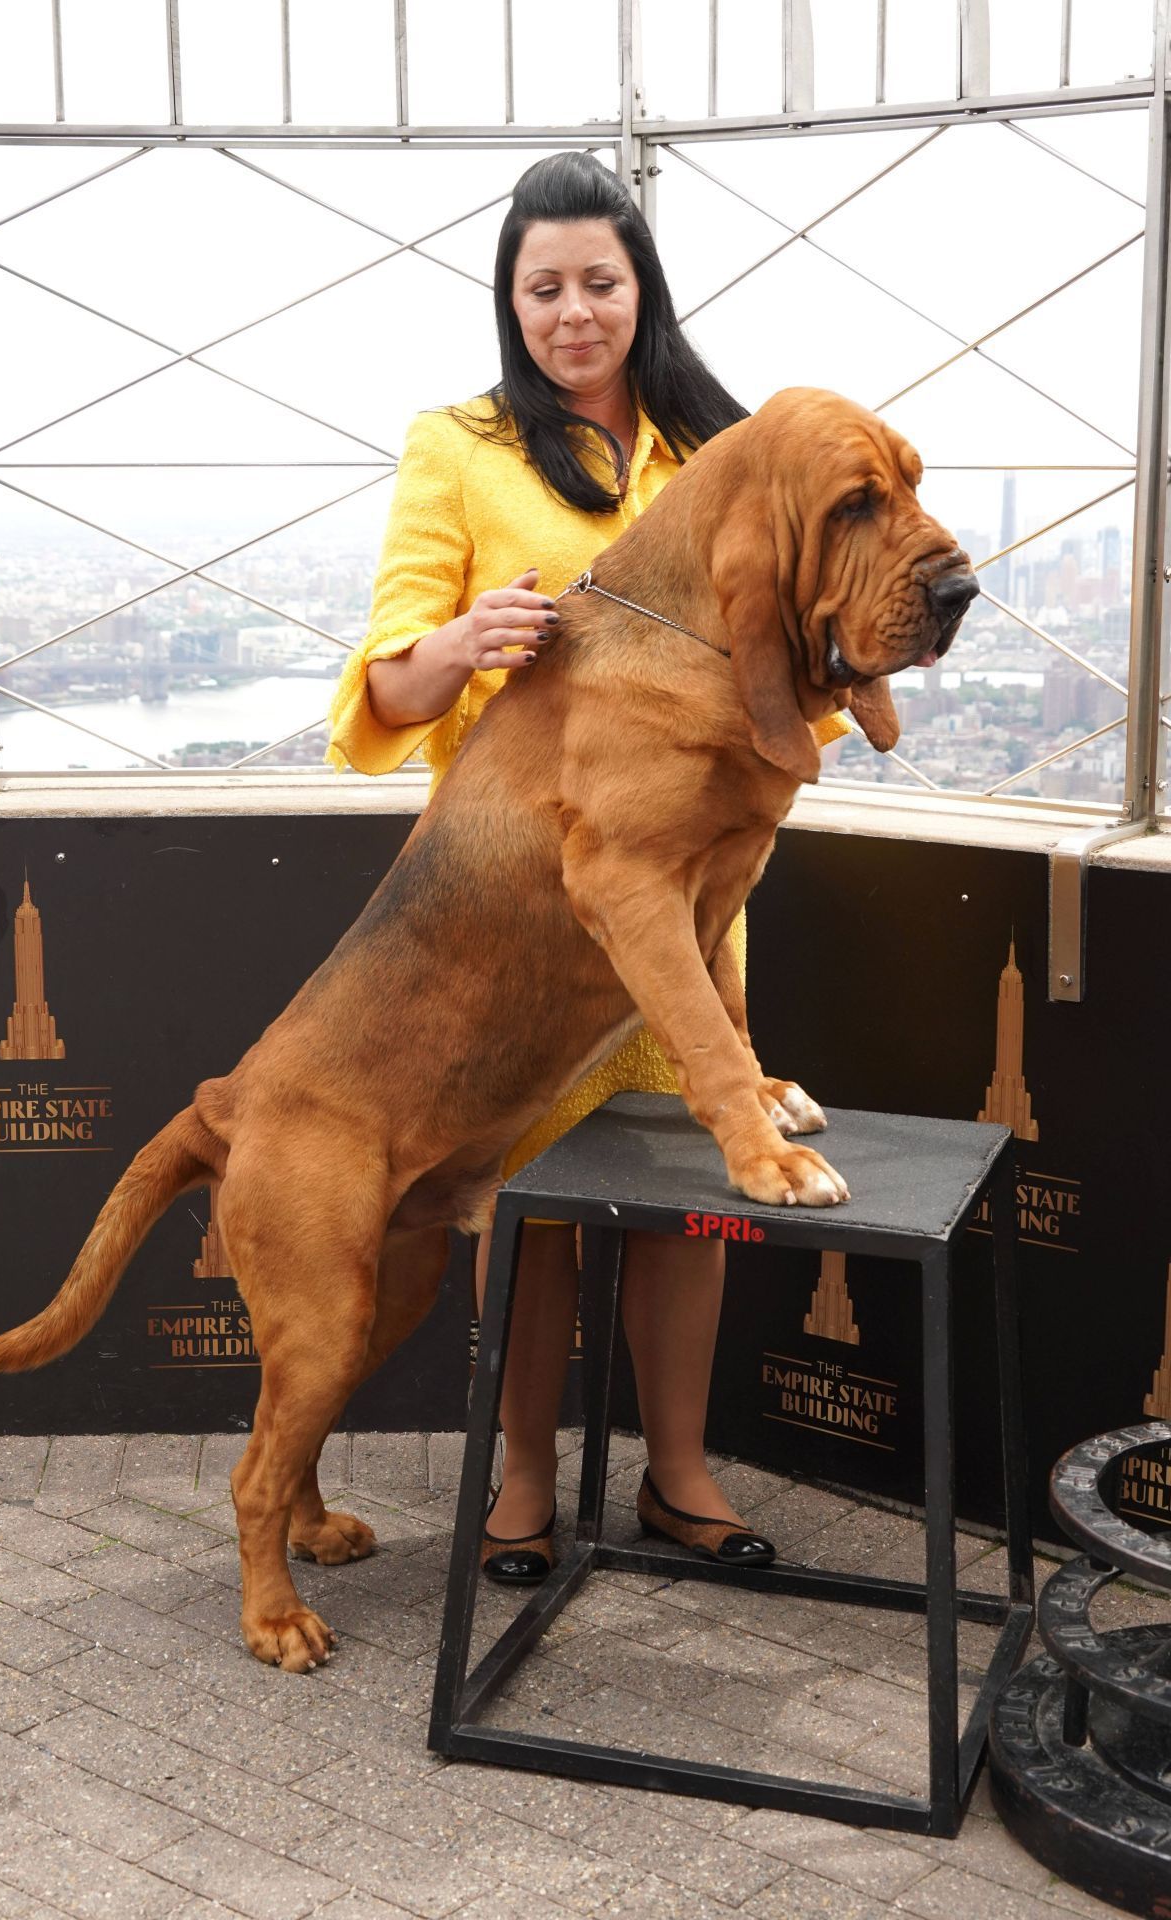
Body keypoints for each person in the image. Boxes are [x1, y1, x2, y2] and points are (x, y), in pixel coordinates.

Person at [327, 151, 849, 1583]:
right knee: (528, 1212)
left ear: (642, 292)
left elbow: (811, 610)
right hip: (528, 915)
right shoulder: (460, 448)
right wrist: (459, 646)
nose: (574, 312)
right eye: (544, 286)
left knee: (694, 1210)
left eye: (599, 282)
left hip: (688, 908)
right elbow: (385, 678)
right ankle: (521, 1484)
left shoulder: (724, 446)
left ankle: (681, 1478)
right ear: (511, 300)